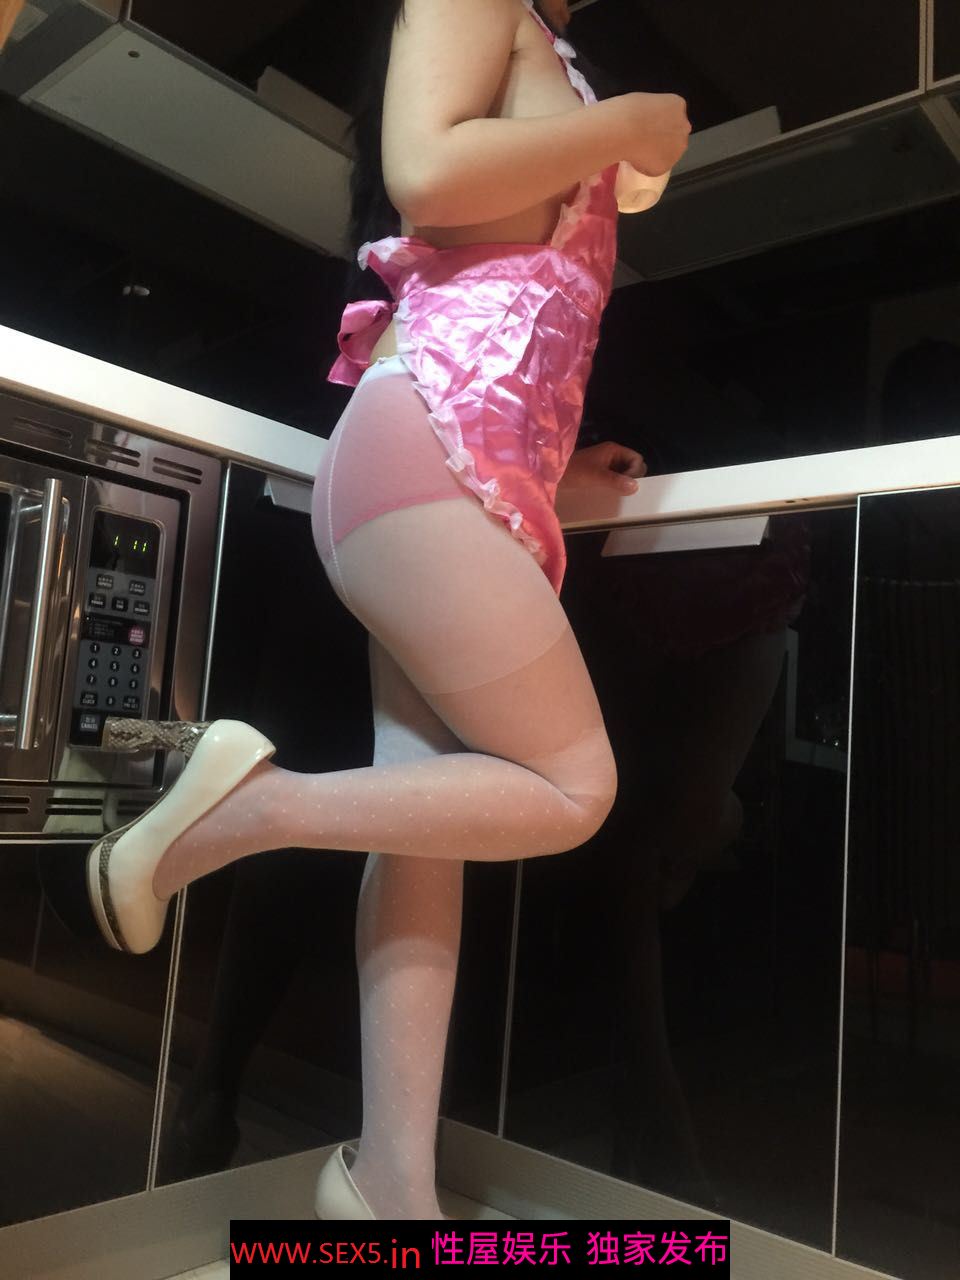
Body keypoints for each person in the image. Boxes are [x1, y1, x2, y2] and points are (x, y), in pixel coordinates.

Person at [85, 0, 691, 1220]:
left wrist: (557, 473)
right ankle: (248, 807)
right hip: (428, 460)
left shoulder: (544, 47)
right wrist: (625, 124)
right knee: (575, 785)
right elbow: (426, 170)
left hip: (445, 466)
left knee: (423, 835)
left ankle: (390, 1187)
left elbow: (499, 295)